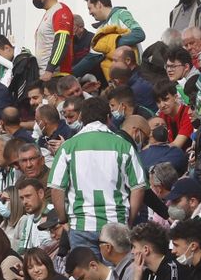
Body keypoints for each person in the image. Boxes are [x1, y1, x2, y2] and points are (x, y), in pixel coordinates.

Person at [48, 97, 146, 254]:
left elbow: (56, 189)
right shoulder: (123, 146)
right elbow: (139, 188)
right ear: (108, 118)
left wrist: (64, 220)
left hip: (81, 226)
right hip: (116, 224)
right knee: (118, 276)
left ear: (81, 118)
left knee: (88, 277)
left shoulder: (67, 147)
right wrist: (130, 219)